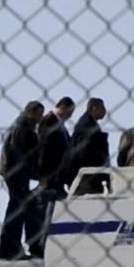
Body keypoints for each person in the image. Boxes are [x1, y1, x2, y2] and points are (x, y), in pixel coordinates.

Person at [0, 102, 44, 259]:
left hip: (15, 174)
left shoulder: (22, 126)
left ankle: (13, 247)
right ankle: (11, 248)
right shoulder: (24, 129)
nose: (40, 118)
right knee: (17, 211)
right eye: (39, 114)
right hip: (17, 174)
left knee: (20, 209)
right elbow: (22, 155)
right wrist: (35, 173)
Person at [29, 98, 76, 257]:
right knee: (46, 211)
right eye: (70, 112)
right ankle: (41, 245)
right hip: (50, 176)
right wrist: (46, 174)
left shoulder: (58, 124)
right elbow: (44, 149)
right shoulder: (49, 121)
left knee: (54, 211)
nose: (70, 116)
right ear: (63, 107)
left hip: (57, 176)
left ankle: (47, 243)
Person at [68, 97, 110, 195]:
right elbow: (85, 151)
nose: (104, 111)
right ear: (94, 108)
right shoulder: (87, 125)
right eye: (102, 108)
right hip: (87, 174)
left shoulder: (88, 123)